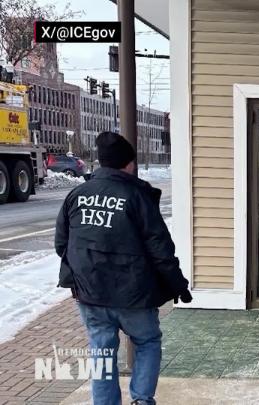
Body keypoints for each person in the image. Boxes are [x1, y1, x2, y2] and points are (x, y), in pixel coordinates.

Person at [55, 131, 192, 405]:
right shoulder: (137, 196)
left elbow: (62, 245)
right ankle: (141, 400)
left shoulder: (77, 195)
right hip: (134, 295)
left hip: (90, 294)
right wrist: (179, 286)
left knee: (102, 353)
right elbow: (161, 251)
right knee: (147, 342)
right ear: (129, 164)